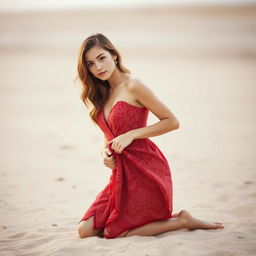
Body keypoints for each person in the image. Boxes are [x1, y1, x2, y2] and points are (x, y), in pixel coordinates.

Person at [76, 33, 224, 239]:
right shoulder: (102, 93)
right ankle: (173, 219)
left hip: (145, 170)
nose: (98, 67)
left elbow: (172, 121)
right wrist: (104, 152)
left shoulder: (134, 86)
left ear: (114, 56)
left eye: (102, 58)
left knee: (112, 232)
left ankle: (181, 221)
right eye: (91, 64)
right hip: (120, 176)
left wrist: (132, 135)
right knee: (85, 230)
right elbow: (108, 135)